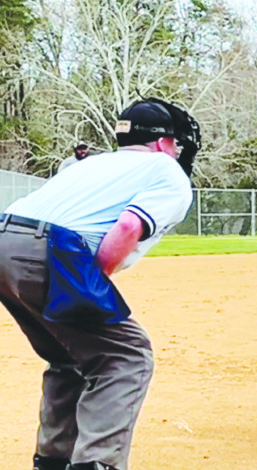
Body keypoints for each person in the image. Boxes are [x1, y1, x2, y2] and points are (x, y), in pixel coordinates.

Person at [0, 97, 200, 470]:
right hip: (50, 250)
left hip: (5, 238)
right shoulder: (167, 170)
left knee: (68, 356)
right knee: (126, 356)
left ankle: (53, 460)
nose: (177, 151)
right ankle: (96, 463)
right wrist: (92, 281)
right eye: (176, 143)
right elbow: (127, 226)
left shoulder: (92, 163)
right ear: (163, 142)